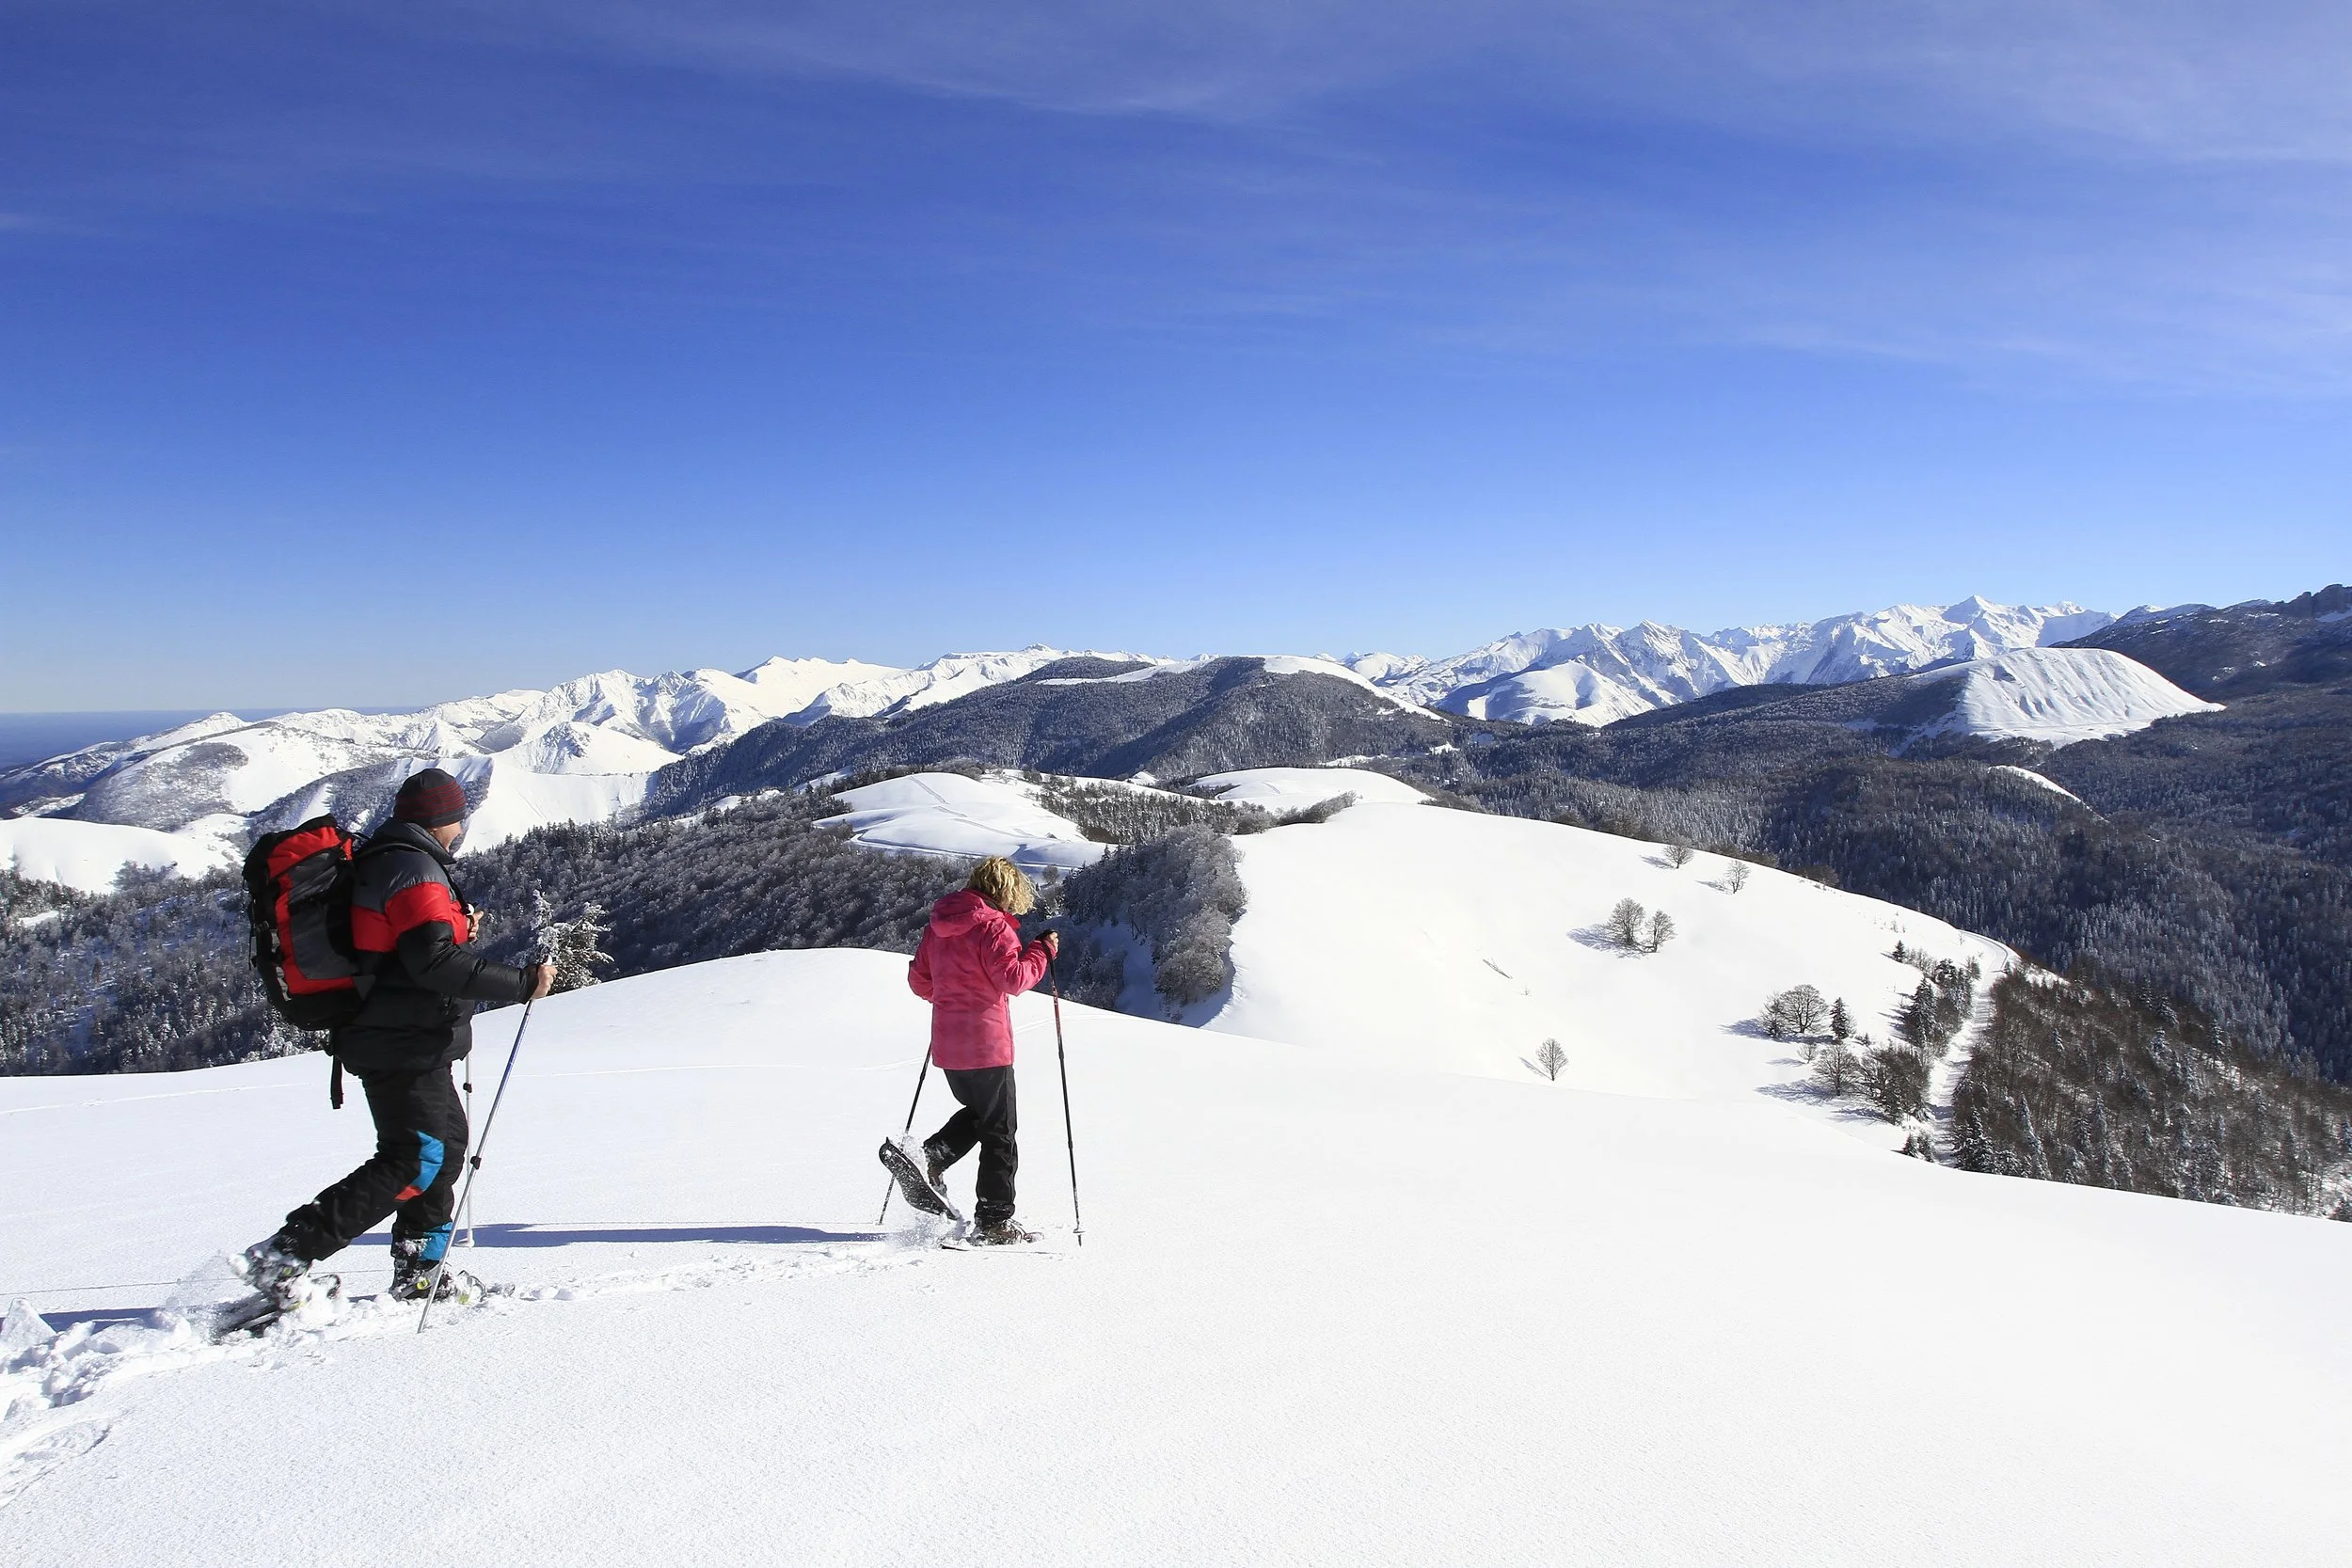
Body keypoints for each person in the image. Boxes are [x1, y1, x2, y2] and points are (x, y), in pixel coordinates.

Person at [237, 768, 553, 1306]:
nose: (461, 828)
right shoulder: (414, 869)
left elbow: (404, 945)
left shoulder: (394, 861)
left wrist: (457, 928)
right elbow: (432, 962)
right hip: (398, 1039)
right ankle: (287, 1254)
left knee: (444, 1151)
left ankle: (420, 1271)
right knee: (416, 1157)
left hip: (405, 1035)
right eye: (458, 817)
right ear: (444, 819)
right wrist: (522, 982)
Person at [905, 856, 1058, 1244]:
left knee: (980, 1116)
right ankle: (993, 1223)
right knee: (1000, 1133)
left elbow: (920, 981)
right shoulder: (994, 927)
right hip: (987, 1044)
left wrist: (954, 998)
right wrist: (1042, 952)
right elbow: (1013, 979)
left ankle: (929, 1159)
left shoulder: (937, 928)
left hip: (948, 1043)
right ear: (1005, 890)